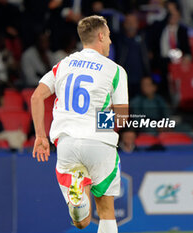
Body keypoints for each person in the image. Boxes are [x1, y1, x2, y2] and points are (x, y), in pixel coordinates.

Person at [31, 15, 128, 232]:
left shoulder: (63, 65)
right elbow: (121, 118)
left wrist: (40, 136)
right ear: (101, 36)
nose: (111, 42)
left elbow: (36, 97)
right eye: (109, 36)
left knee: (81, 222)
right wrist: (97, 125)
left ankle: (80, 200)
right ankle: (81, 200)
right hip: (99, 142)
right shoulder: (115, 70)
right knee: (106, 211)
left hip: (66, 142)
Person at [114, 12, 150, 98]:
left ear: (137, 24)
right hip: (123, 80)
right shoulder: (118, 40)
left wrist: (147, 75)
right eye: (128, 22)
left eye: (133, 22)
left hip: (140, 80)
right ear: (124, 24)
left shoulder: (144, 38)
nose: (130, 25)